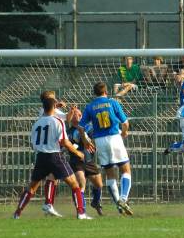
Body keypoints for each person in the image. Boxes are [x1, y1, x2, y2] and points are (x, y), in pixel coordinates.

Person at [13, 98, 91, 220]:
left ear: (43, 108)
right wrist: (77, 153)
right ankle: (81, 213)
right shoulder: (57, 121)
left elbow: (33, 145)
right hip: (55, 156)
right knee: (75, 185)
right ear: (55, 107)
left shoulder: (37, 123)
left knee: (31, 188)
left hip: (41, 157)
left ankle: (17, 214)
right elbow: (64, 141)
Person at [78, 82, 134, 216]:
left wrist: (85, 140)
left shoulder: (90, 106)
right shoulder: (113, 102)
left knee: (110, 173)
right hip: (114, 137)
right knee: (125, 169)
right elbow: (125, 123)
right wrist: (124, 132)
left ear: (94, 93)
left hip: (100, 141)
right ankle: (123, 199)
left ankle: (119, 206)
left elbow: (80, 127)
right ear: (106, 92)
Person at [39, 90, 76, 218]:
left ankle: (49, 205)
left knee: (53, 177)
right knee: (59, 178)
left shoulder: (53, 110)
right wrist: (57, 106)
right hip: (50, 149)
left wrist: (71, 111)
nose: (55, 100)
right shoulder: (43, 111)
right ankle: (48, 204)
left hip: (55, 147)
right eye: (52, 98)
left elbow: (67, 118)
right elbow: (52, 114)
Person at [68, 108, 104, 216]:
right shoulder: (68, 132)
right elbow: (68, 144)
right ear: (71, 117)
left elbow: (94, 140)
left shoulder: (89, 128)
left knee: (99, 185)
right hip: (76, 161)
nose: (77, 116)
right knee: (81, 184)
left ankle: (95, 202)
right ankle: (81, 210)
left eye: (79, 114)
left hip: (88, 160)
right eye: (74, 114)